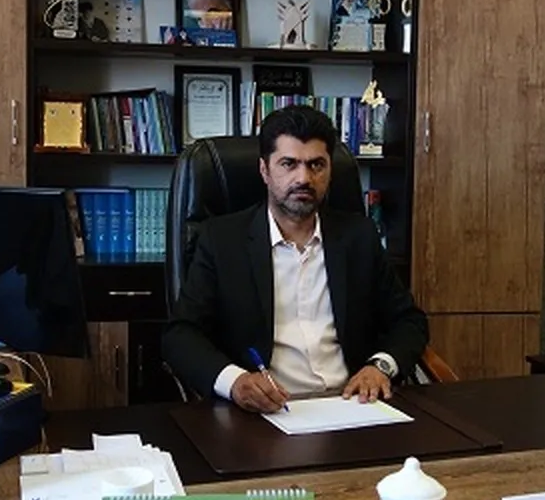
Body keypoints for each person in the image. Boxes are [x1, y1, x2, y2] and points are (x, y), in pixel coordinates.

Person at [162, 106, 430, 414]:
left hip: (353, 405)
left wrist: (380, 366)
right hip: (266, 413)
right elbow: (180, 336)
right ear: (264, 170)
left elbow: (409, 321)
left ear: (330, 171)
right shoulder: (222, 241)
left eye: (316, 165)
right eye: (288, 164)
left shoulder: (359, 237)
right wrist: (235, 382)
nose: (303, 178)